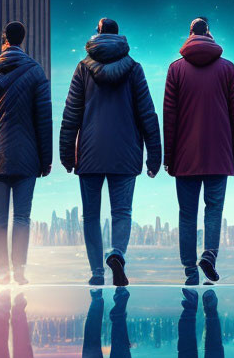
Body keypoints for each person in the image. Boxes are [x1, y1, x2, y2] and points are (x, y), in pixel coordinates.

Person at [59, 18, 161, 286]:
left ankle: (96, 273)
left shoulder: (82, 69)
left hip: (90, 153)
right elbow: (147, 115)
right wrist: (154, 156)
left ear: (98, 34)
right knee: (122, 212)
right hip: (126, 153)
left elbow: (71, 115)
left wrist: (67, 154)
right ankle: (117, 254)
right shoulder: (134, 69)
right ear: (120, 36)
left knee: (91, 215)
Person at [0, 21, 53, 285]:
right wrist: (46, 158)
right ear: (22, 40)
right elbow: (44, 119)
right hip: (27, 156)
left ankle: (1, 272)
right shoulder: (36, 72)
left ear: (3, 40)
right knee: (22, 217)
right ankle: (19, 272)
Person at [163, 17, 234, 285]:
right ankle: (209, 255)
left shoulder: (175, 70)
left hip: (185, 156)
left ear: (189, 34)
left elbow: (169, 118)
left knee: (186, 213)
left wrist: (168, 157)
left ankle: (189, 270)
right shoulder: (228, 69)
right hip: (220, 155)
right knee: (213, 210)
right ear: (210, 33)